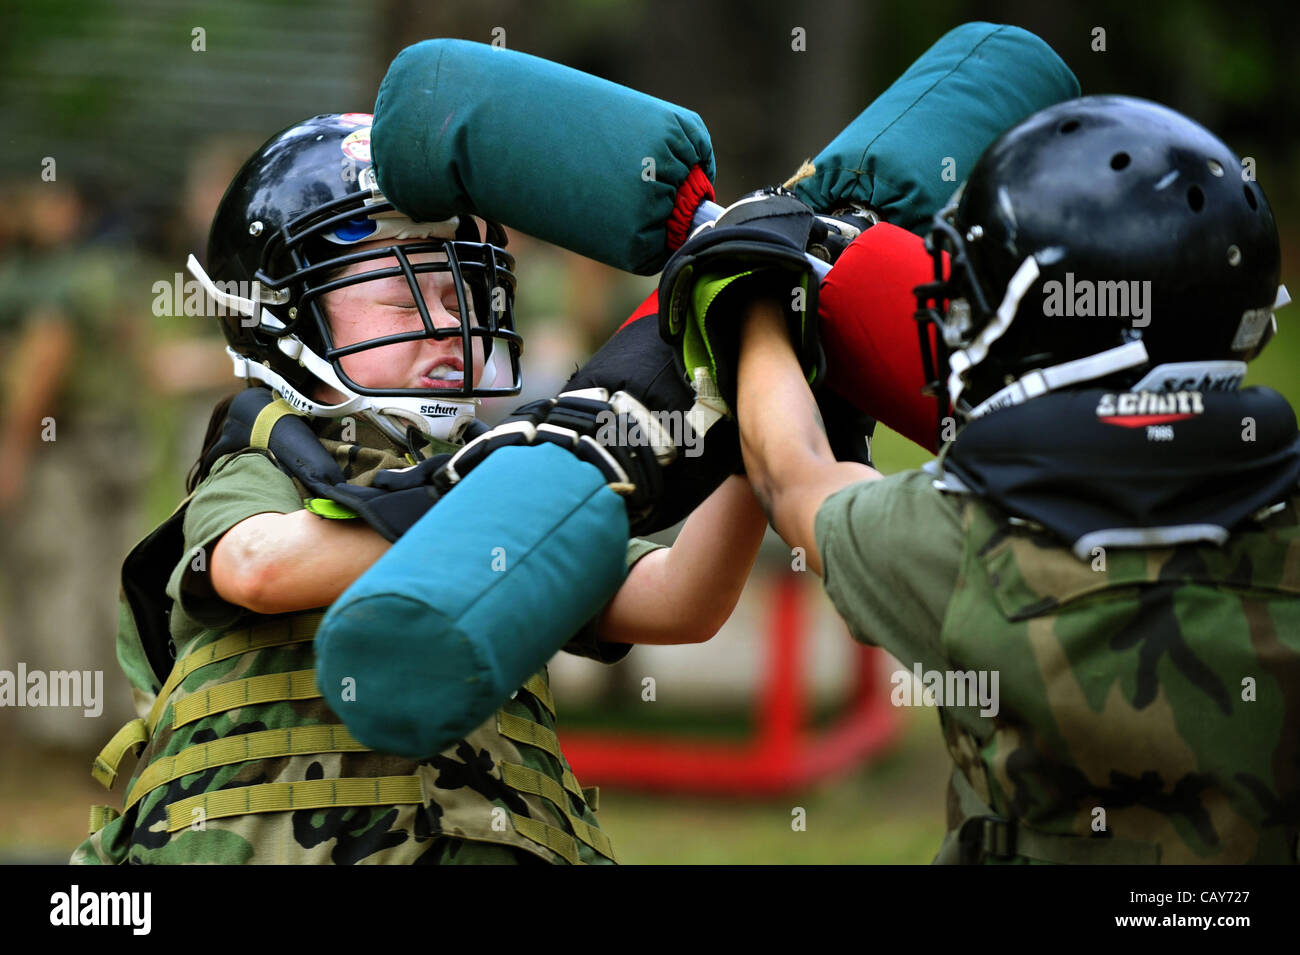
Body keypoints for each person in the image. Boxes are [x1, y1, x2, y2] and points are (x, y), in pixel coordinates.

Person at [73, 113, 766, 865]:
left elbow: (682, 601)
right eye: (405, 301)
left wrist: (760, 423)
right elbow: (258, 566)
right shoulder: (266, 454)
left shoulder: (510, 469)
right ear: (285, 316)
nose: (449, 324)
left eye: (462, 295)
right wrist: (478, 502)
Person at [694, 95, 1299, 864]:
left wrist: (749, 294)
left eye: (977, 294)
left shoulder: (962, 539)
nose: (957, 314)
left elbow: (792, 477)